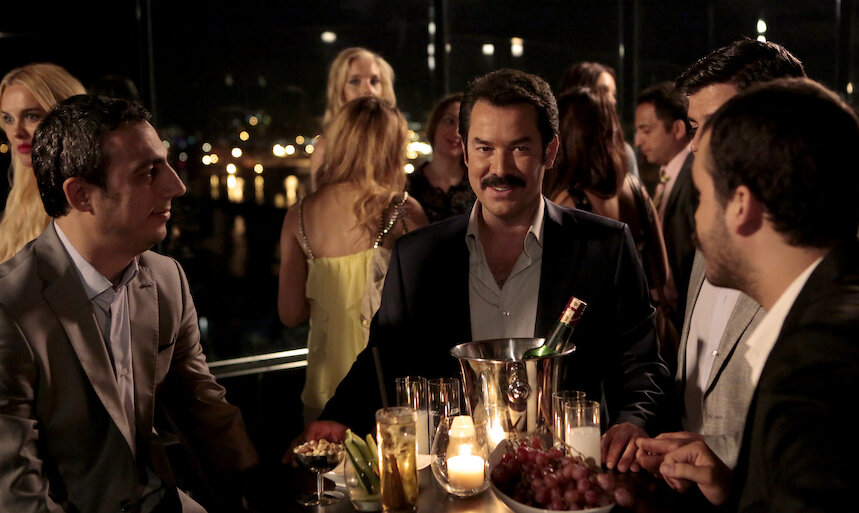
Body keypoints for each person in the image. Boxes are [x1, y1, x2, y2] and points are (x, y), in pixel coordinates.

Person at [286, 69, 670, 474]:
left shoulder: (604, 246)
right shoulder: (418, 255)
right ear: (466, 152)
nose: (499, 168)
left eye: (519, 148)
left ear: (550, 151)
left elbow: (642, 365)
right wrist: (337, 416)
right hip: (454, 484)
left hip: (566, 483)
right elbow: (383, 357)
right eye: (484, 148)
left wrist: (633, 421)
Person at [638, 78, 859, 512]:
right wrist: (735, 488)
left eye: (702, 197)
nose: (696, 222)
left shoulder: (817, 365)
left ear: (741, 205)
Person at [0, 95, 258, 512]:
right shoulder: (9, 308)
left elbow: (203, 408)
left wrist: (269, 490)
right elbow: (16, 492)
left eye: (166, 164)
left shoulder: (166, 279)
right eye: (148, 173)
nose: (177, 186)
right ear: (81, 195)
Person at [278, 96, 428, 420]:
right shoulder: (403, 211)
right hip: (387, 389)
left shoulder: (299, 214)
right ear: (391, 148)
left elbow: (290, 313)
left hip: (325, 389)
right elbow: (428, 309)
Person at [544, 86, 678, 362]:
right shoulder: (635, 189)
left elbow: (560, 293)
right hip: (641, 339)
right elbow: (661, 273)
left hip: (595, 345)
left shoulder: (567, 203)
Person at [0, 63, 85, 263]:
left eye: (32, 116)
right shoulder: (19, 198)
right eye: (8, 119)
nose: (16, 132)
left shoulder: (87, 195)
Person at [634, 81, 695, 330]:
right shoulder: (668, 173)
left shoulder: (694, 176)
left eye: (646, 130)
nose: (638, 140)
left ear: (678, 128)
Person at [309, 47, 396, 189]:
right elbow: (318, 201)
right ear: (339, 91)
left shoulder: (393, 142)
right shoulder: (325, 149)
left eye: (374, 81)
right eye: (355, 81)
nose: (368, 89)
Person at [558, 61, 639, 179]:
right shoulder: (553, 147)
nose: (613, 100)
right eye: (603, 91)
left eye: (614, 94)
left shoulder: (621, 152)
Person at [407, 92, 475, 223]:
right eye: (449, 121)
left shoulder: (477, 185)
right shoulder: (409, 186)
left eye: (464, 125)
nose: (457, 132)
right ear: (435, 125)